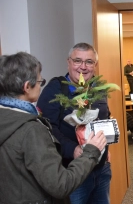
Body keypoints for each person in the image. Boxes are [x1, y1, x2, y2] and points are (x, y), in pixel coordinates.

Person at [0, 52, 107, 204]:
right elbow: (60, 185)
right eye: (39, 81)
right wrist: (91, 151)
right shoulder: (31, 129)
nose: (40, 86)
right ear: (27, 87)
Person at [37, 43, 112, 204]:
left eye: (89, 62)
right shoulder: (55, 88)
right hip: (72, 172)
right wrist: (74, 150)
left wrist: (106, 149)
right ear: (68, 62)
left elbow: (104, 118)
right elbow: (46, 129)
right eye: (78, 61)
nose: (83, 67)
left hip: (101, 169)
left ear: (95, 65)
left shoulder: (98, 87)